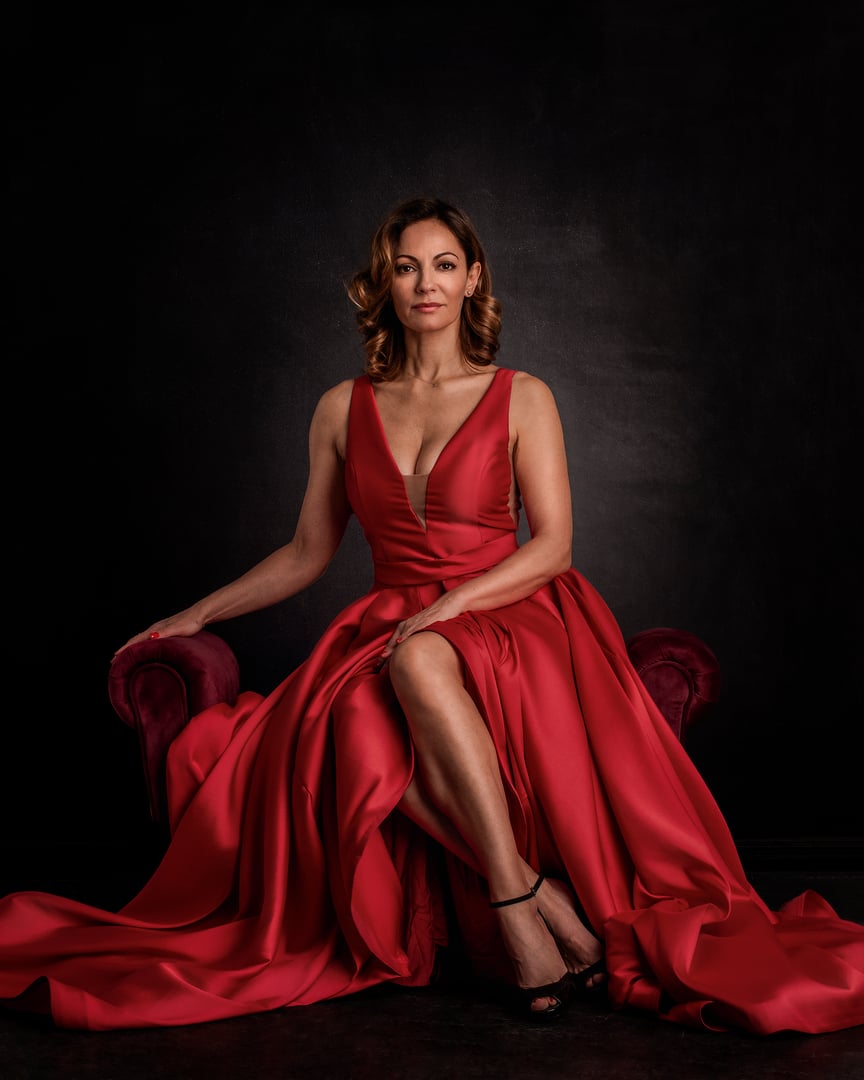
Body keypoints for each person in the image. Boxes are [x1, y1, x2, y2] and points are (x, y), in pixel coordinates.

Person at [1, 197, 863, 1034]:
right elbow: (307, 551)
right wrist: (194, 612)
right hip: (396, 618)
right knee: (347, 708)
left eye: (443, 265)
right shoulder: (342, 407)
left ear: (471, 279)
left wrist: (452, 604)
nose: (425, 282)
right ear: (385, 284)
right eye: (406, 267)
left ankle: (519, 913)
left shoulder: (523, 393)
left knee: (408, 665)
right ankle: (530, 897)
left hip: (513, 609)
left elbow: (554, 545)